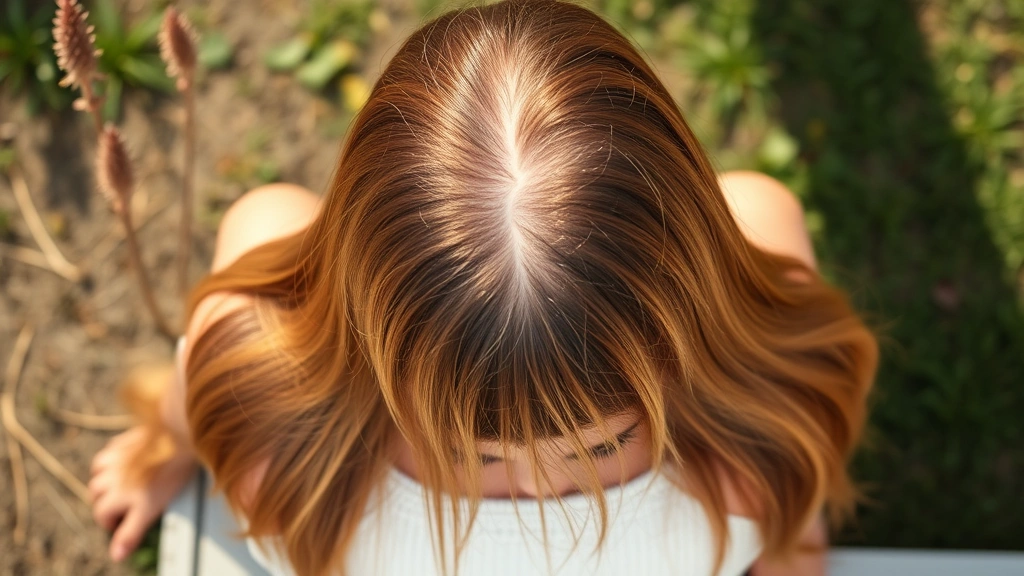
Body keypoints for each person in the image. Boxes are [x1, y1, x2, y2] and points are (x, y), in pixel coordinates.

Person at [87, 1, 878, 575]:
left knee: (269, 216)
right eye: (477, 448)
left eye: (597, 442)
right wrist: (789, 546)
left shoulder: (271, 441)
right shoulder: (766, 437)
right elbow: (793, 510)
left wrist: (174, 445)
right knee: (760, 204)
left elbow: (206, 394)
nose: (540, 487)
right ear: (696, 290)